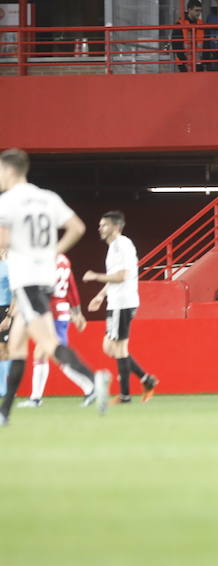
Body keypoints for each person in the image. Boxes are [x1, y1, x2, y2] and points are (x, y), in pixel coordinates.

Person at [0, 149, 109, 423]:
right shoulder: (47, 197)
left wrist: (16, 251)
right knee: (16, 346)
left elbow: (3, 241)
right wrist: (53, 251)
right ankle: (4, 413)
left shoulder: (8, 202)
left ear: (10, 170)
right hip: (45, 279)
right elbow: (77, 227)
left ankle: (94, 381)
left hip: (27, 281)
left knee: (48, 343)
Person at [83, 211, 158, 404]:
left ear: (115, 227)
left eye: (104, 225)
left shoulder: (121, 245)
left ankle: (126, 394)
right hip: (118, 302)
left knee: (118, 349)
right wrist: (100, 295)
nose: (100, 228)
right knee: (112, 347)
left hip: (122, 303)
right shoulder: (115, 247)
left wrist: (96, 276)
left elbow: (123, 276)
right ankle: (145, 380)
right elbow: (116, 276)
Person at [21, 251, 87, 408]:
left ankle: (90, 387)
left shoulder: (44, 260)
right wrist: (77, 312)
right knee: (41, 354)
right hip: (62, 310)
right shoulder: (63, 259)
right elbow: (71, 287)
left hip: (52, 312)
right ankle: (35, 399)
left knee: (58, 356)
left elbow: (43, 290)